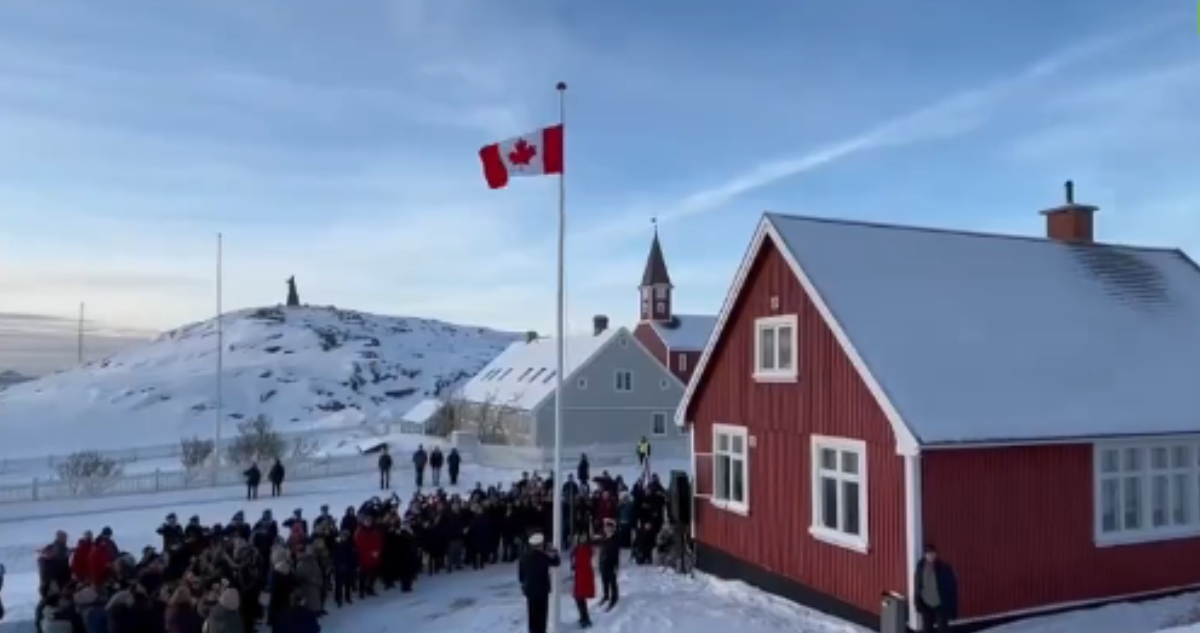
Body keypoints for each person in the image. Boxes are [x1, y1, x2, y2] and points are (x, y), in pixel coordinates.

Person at [518, 532, 560, 633]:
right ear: (540, 545)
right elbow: (556, 562)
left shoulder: (524, 558)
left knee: (532, 616)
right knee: (542, 617)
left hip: (530, 591)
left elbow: (521, 577)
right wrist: (554, 552)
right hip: (542, 590)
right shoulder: (543, 557)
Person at [913, 544, 958, 632]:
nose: (930, 556)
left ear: (936, 554)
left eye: (932, 553)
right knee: (927, 629)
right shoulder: (920, 567)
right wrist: (917, 602)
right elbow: (917, 585)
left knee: (942, 629)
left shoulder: (944, 568)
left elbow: (951, 587)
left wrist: (952, 606)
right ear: (925, 555)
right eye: (928, 553)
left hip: (940, 604)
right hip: (926, 603)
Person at [572, 539, 595, 628]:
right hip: (581, 577)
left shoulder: (582, 551)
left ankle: (585, 619)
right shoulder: (582, 551)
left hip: (582, 577)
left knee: (579, 598)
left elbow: (578, 563)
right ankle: (584, 617)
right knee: (580, 598)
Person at [597, 519, 620, 610]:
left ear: (612, 529)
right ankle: (606, 595)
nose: (607, 529)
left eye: (609, 527)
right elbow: (601, 549)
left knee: (612, 581)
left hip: (611, 562)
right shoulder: (603, 537)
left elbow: (616, 553)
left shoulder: (615, 538)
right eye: (606, 527)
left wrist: (616, 565)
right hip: (603, 562)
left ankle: (614, 597)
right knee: (604, 580)